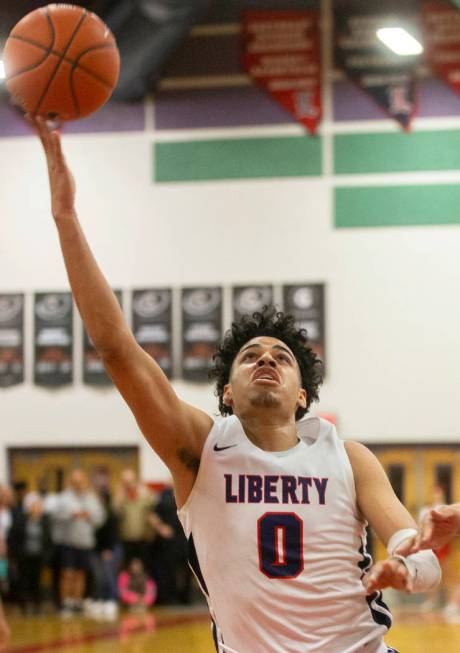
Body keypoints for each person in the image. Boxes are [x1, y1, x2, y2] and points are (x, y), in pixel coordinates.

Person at [30, 114, 441, 653]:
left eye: (281, 357)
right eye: (249, 356)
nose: (265, 360)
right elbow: (116, 350)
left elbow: (416, 551)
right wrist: (65, 216)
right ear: (226, 391)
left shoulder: (347, 456)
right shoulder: (201, 451)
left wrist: (412, 564)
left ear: (302, 393)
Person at [58, 469, 105, 616]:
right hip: (68, 542)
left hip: (85, 542)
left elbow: (100, 518)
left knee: (80, 573)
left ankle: (77, 602)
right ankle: (66, 602)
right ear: (71, 482)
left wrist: (89, 515)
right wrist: (71, 514)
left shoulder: (91, 498)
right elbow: (55, 515)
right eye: (75, 482)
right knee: (67, 573)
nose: (78, 484)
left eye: (80, 481)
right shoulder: (64, 498)